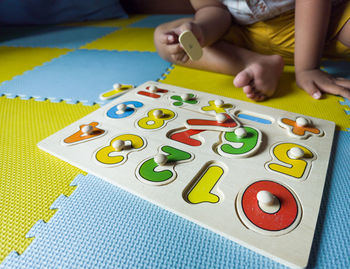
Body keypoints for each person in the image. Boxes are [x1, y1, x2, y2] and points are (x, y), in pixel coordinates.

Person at [154, 0, 350, 101]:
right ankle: (253, 63)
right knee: (164, 38)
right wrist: (201, 30)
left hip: (318, 25)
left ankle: (298, 61)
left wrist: (307, 68)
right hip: (249, 34)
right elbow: (212, 9)